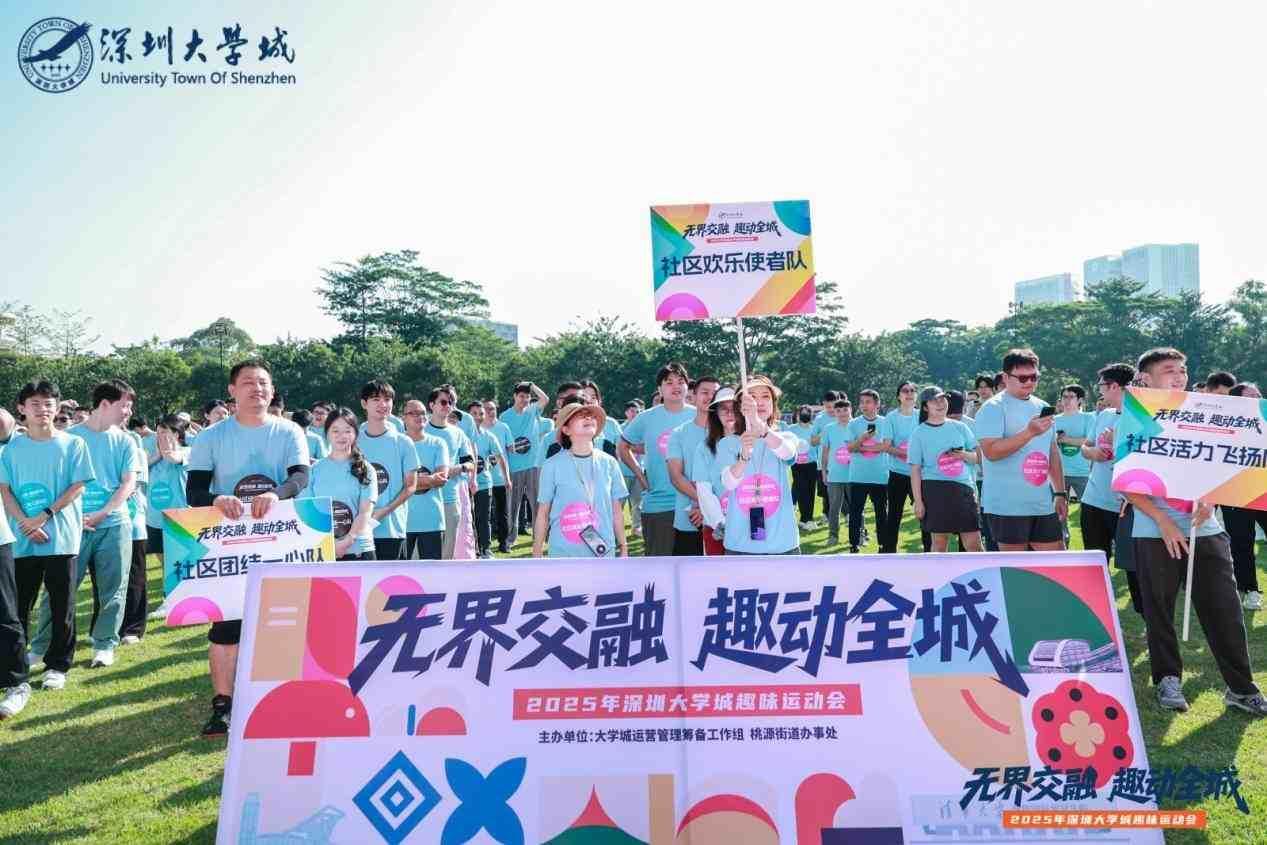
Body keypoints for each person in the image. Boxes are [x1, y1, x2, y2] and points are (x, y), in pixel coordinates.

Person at [1125, 347, 1265, 716]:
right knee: (1159, 610)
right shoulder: (1135, 415)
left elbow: (1222, 464)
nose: (1179, 376)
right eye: (1169, 370)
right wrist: (1163, 520)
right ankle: (1167, 679)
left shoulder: (1203, 411)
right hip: (1154, 531)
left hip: (1206, 529)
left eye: (1183, 370)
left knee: (1225, 609)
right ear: (1146, 378)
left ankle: (1241, 688)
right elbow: (1126, 483)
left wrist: (1213, 499)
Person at [186, 359, 310, 737]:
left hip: (280, 540)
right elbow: (194, 490)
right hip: (230, 544)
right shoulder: (211, 437)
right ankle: (223, 705)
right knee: (227, 626)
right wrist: (216, 499)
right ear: (232, 390)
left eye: (263, 383)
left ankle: (279, 699)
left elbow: (300, 477)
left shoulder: (289, 431)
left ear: (272, 390)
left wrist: (276, 494)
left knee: (282, 623)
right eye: (248, 383)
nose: (257, 389)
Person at [31, 379, 140, 672]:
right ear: (105, 404)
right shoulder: (68, 438)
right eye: (125, 405)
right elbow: (59, 483)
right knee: (58, 590)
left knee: (113, 589)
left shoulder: (126, 441)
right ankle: (41, 647)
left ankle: (104, 644)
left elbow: (128, 483)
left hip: (114, 524)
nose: (129, 412)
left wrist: (104, 512)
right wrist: (72, 516)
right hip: (72, 527)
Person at [0, 379, 93, 700]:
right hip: (22, 539)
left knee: (62, 604)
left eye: (49, 403)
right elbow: (5, 491)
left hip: (62, 537)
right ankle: (16, 664)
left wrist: (45, 515)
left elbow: (78, 486)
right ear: (21, 409)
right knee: (18, 606)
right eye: (36, 404)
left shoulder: (73, 444)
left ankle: (58, 665)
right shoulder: (12, 449)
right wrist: (25, 523)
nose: (43, 410)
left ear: (57, 407)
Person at [975, 349, 1067, 552]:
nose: (1030, 382)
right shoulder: (992, 408)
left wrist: (1060, 492)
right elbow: (991, 452)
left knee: (1056, 562)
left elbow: (1051, 451)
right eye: (1023, 378)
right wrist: (1029, 432)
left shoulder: (1042, 406)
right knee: (1016, 567)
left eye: (1034, 377)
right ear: (1005, 377)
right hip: (1007, 506)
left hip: (1042, 503)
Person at [1079, 363, 1141, 613]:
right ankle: (1096, 611)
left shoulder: (1142, 418)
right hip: (1094, 501)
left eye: (1102, 386)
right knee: (1095, 563)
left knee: (1133, 567)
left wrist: (1116, 444)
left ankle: (1146, 616)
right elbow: (1085, 446)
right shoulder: (1103, 415)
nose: (1100, 391)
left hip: (1127, 506)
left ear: (1115, 386)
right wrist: (1092, 452)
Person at [716, 376, 800, 555]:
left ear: (773, 404)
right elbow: (728, 483)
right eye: (752, 397)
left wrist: (760, 426)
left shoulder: (785, 437)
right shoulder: (727, 443)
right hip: (740, 545)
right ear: (740, 405)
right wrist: (744, 456)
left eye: (765, 396)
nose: (759, 402)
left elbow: (788, 453)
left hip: (782, 544)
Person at [533, 402, 628, 559]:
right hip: (563, 553)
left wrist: (623, 546)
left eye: (591, 416)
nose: (588, 418)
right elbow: (543, 512)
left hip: (603, 551)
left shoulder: (609, 463)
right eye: (580, 416)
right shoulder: (551, 465)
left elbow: (616, 511)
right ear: (566, 429)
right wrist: (537, 551)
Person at [619, 362, 696, 556]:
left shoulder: (699, 416)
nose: (676, 386)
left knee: (694, 567)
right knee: (659, 565)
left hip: (694, 504)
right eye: (669, 382)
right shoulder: (646, 418)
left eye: (680, 381)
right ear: (659, 389)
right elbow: (623, 446)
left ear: (687, 385)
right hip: (658, 504)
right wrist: (641, 477)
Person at [908, 386, 982, 552]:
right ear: (925, 407)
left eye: (942, 399)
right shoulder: (918, 433)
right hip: (934, 490)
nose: (940, 403)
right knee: (939, 544)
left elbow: (978, 458)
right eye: (934, 401)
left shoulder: (961, 427)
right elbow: (915, 470)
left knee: (974, 545)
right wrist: (918, 502)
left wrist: (963, 455)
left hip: (963, 489)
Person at [302, 407, 377, 561]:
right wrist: (330, 545)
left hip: (359, 550)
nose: (341, 436)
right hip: (323, 550)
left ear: (355, 434)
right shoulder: (314, 470)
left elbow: (365, 512)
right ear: (327, 434)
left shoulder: (366, 469)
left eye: (347, 431)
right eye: (335, 431)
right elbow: (309, 512)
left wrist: (347, 541)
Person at [357, 381, 420, 561]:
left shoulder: (403, 442)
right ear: (364, 403)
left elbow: (411, 486)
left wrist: (382, 512)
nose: (383, 404)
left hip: (392, 530)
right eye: (376, 399)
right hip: (357, 530)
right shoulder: (354, 442)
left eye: (387, 399)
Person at [1222, 382, 1266, 610]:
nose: (1258, 399)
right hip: (1235, 491)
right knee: (1242, 542)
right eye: (1251, 396)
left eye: (1259, 395)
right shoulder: (1226, 425)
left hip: (1263, 489)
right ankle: (1249, 590)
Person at [666, 377, 719, 556]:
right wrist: (704, 503)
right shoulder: (679, 434)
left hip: (723, 521)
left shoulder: (729, 433)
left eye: (715, 393)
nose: (710, 397)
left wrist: (710, 508)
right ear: (693, 397)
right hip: (689, 520)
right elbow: (676, 476)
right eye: (705, 392)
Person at [426, 387, 475, 559]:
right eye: (443, 402)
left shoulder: (458, 433)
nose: (448, 406)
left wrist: (458, 469)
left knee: (447, 553)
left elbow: (470, 463)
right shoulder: (420, 430)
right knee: (419, 554)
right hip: (423, 500)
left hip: (450, 499)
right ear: (431, 405)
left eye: (451, 403)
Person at [692, 387, 739, 556]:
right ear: (715, 413)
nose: (729, 413)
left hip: (749, 522)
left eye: (734, 408)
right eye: (723, 408)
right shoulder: (704, 448)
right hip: (716, 527)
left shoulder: (751, 442)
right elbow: (704, 491)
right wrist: (720, 523)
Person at [501, 382, 550, 540]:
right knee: (512, 505)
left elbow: (545, 399)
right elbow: (502, 442)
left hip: (533, 465)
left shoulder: (532, 410)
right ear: (515, 396)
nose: (525, 400)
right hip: (514, 467)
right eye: (521, 396)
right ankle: (509, 539)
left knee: (537, 504)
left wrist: (532, 385)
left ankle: (539, 536)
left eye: (527, 397)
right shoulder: (504, 417)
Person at [844, 390, 891, 554]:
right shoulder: (853, 424)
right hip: (858, 476)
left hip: (880, 476)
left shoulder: (886, 422)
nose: (864, 405)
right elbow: (850, 448)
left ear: (877, 404)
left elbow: (886, 446)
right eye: (862, 402)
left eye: (868, 402)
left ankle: (883, 545)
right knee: (855, 513)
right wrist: (862, 439)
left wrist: (862, 448)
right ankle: (854, 545)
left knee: (881, 513)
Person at [401, 399, 449, 561]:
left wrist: (409, 481)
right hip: (401, 522)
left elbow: (441, 479)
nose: (419, 416)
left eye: (422, 413)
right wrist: (429, 479)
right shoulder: (396, 444)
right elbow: (395, 481)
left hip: (432, 521)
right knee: (399, 573)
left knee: (432, 573)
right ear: (404, 418)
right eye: (413, 413)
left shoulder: (438, 443)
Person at [884, 382, 928, 554]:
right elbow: (887, 446)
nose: (909, 393)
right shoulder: (891, 417)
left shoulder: (922, 415)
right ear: (898, 396)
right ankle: (889, 554)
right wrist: (911, 456)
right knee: (894, 516)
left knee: (925, 514)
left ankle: (929, 553)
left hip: (921, 474)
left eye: (912, 391)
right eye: (905, 391)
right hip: (898, 474)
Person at [143, 414, 190, 561]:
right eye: (157, 433)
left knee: (181, 562)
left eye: (164, 432)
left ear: (176, 434)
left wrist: (165, 451)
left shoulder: (188, 451)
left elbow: (174, 458)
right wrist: (157, 456)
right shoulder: (154, 457)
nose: (159, 436)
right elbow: (139, 470)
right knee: (163, 560)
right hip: (155, 519)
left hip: (180, 518)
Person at [466, 401, 506, 558]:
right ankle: (471, 549)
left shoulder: (489, 436)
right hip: (465, 485)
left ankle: (485, 548)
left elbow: (500, 457)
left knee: (484, 518)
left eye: (481, 413)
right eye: (474, 413)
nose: (478, 416)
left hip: (484, 483)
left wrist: (507, 478)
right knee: (468, 519)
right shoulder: (461, 435)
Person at [481, 399, 515, 553]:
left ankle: (504, 543)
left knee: (503, 513)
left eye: (492, 408)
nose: (490, 411)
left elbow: (511, 448)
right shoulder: (477, 429)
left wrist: (507, 477)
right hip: (483, 480)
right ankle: (484, 545)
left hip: (501, 478)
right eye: (487, 409)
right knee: (484, 514)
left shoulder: (503, 427)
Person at [819, 399, 854, 547]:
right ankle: (833, 536)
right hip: (834, 475)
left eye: (845, 410)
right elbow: (825, 452)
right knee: (834, 508)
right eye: (838, 411)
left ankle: (860, 534)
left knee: (856, 507)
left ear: (850, 410)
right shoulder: (829, 428)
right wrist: (824, 471)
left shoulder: (856, 426)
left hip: (854, 475)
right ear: (834, 412)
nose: (842, 413)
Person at [809, 390, 842, 520]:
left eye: (833, 407)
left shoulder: (845, 415)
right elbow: (812, 441)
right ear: (823, 404)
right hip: (824, 462)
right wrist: (825, 433)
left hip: (843, 461)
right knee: (827, 491)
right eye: (828, 407)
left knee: (845, 490)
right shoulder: (820, 419)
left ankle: (846, 513)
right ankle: (827, 513)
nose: (831, 410)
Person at [787, 404, 819, 529]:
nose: (805, 415)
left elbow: (818, 447)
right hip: (797, 465)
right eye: (802, 413)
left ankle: (808, 519)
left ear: (811, 415)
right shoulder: (791, 429)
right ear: (798, 415)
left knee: (811, 492)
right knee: (801, 490)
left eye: (807, 413)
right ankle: (805, 519)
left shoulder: (814, 429)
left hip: (812, 464)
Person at [620, 400, 644, 538]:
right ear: (626, 413)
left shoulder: (642, 428)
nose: (635, 414)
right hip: (623, 471)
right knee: (620, 502)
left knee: (637, 502)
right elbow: (620, 449)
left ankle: (636, 528)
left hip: (638, 471)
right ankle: (616, 530)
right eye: (632, 411)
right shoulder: (621, 428)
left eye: (638, 411)